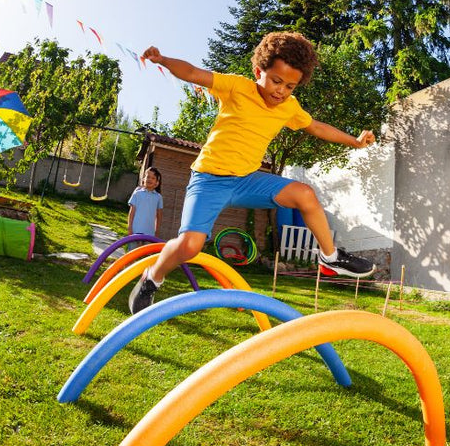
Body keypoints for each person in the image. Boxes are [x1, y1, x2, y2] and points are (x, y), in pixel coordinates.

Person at [130, 31, 376, 313]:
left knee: (304, 194)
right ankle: (153, 277)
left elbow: (317, 127)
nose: (281, 91)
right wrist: (163, 60)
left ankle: (330, 257)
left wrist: (354, 141)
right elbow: (194, 73)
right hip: (209, 180)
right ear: (259, 71)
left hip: (247, 180)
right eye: (276, 81)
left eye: (290, 87)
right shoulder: (236, 87)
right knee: (190, 246)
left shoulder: (289, 107)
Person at [127, 166, 164, 238]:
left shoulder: (158, 197)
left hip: (150, 234)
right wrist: (130, 228)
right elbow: (131, 213)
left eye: (153, 178)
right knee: (134, 249)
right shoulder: (137, 193)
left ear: (157, 183)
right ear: (144, 179)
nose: (150, 179)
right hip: (135, 231)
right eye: (148, 177)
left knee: (146, 249)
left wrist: (157, 231)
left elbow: (159, 216)